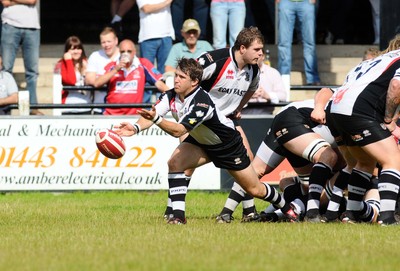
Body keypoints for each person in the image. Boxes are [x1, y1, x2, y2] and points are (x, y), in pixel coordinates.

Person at [114, 58, 299, 224]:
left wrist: (156, 120)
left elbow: (178, 130)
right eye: (176, 75)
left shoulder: (201, 102)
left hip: (228, 145)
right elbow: (152, 114)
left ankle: (285, 206)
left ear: (194, 82)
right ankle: (177, 216)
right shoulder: (170, 95)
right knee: (175, 163)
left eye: (181, 77)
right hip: (202, 142)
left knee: (255, 189)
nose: (176, 80)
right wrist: (135, 127)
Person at [323, 35, 400, 225]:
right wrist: (389, 119)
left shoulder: (377, 60)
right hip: (357, 110)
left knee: (365, 161)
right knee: (392, 160)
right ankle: (388, 218)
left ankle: (351, 213)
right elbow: (397, 85)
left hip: (335, 109)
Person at [194, 27, 264, 223]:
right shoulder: (214, 60)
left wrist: (238, 107)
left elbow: (252, 89)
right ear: (242, 48)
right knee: (182, 165)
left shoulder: (254, 69)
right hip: (203, 121)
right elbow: (188, 80)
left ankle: (247, 212)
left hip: (228, 120)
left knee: (247, 160)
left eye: (261, 49)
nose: (261, 53)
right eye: (257, 49)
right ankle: (174, 212)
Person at [94, 39, 169, 115]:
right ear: (119, 52)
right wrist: (116, 69)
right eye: (123, 51)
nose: (126, 54)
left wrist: (174, 95)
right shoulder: (112, 65)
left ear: (134, 52)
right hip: (111, 114)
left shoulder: (143, 63)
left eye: (129, 51)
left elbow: (159, 83)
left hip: (134, 115)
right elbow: (97, 83)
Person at [1, 0, 42, 115]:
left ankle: (32, 107)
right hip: (10, 25)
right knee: (6, 68)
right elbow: (5, 2)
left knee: (32, 71)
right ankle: (4, 107)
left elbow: (32, 0)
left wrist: (13, 1)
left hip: (32, 28)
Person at [136, 0, 175, 103]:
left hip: (166, 35)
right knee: (146, 74)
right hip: (147, 36)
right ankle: (146, 104)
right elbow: (146, 8)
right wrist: (167, 2)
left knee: (165, 74)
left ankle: (163, 103)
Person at [276, 0, 321, 86]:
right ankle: (283, 77)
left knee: (309, 42)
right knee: (284, 43)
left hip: (306, 2)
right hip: (286, 2)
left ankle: (312, 78)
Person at [85, 27, 121, 114]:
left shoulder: (124, 55)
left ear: (116, 41)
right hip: (100, 108)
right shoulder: (95, 56)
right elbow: (89, 80)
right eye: (103, 42)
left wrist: (100, 80)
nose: (106, 45)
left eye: (109, 41)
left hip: (121, 108)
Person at [242, 50, 287, 115]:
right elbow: (231, 97)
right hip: (243, 117)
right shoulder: (241, 72)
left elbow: (283, 96)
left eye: (259, 54)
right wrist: (248, 95)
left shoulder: (273, 73)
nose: (255, 57)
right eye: (253, 53)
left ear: (263, 56)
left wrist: (267, 95)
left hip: (266, 117)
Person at [57, 36, 91, 115]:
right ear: (67, 51)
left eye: (78, 48)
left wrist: (86, 69)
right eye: (72, 49)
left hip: (86, 106)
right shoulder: (61, 64)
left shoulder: (87, 62)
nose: (76, 51)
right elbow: (71, 81)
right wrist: (68, 61)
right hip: (68, 107)